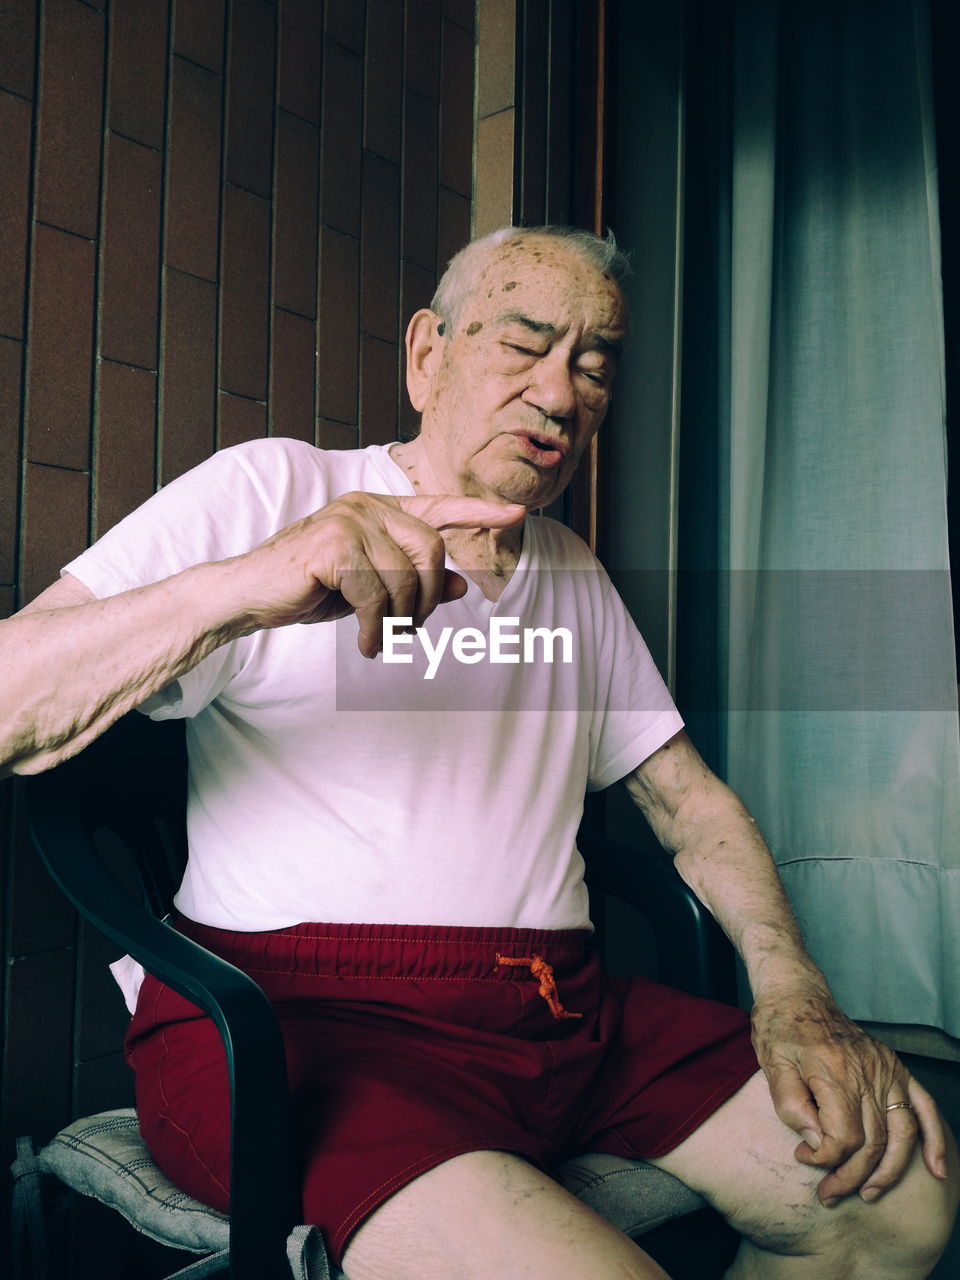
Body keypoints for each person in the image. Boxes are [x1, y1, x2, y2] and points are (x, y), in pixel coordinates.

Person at [2, 225, 957, 1280]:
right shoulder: (275, 489)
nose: (560, 394)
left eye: (594, 365)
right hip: (299, 1029)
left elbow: (691, 806)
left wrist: (794, 994)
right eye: (524, 343)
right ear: (428, 354)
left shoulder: (571, 572)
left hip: (560, 1010)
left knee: (902, 1199)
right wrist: (255, 582)